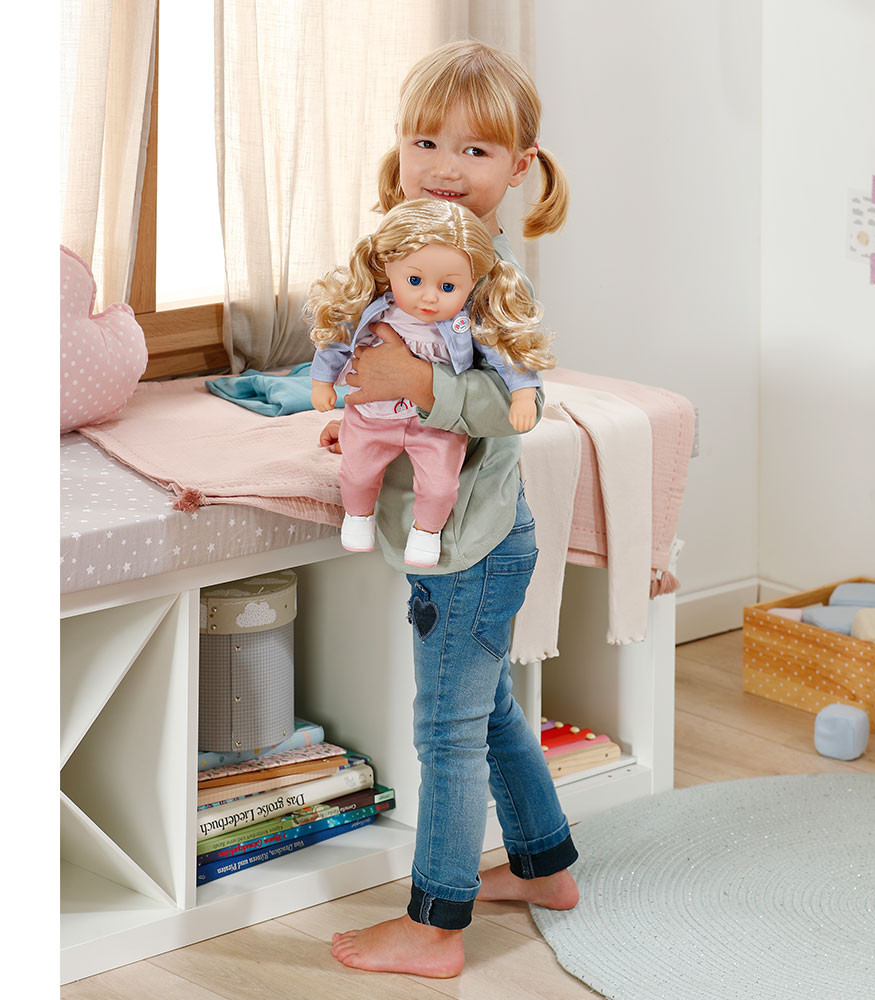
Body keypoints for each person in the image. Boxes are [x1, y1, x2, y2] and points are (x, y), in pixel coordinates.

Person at [321, 40, 576, 978]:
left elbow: (516, 408)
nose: (445, 166)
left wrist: (416, 386)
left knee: (447, 731)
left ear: (520, 167)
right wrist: (366, 410)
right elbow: (379, 362)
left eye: (476, 149)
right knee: (489, 709)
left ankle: (436, 925)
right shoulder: (408, 254)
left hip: (471, 546)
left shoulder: (493, 277)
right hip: (462, 536)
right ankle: (546, 869)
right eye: (427, 142)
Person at [307, 197, 554, 567]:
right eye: (415, 281)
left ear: (473, 281)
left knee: (439, 484)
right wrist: (322, 382)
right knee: (357, 473)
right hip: (374, 416)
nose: (429, 297)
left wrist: (522, 393)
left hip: (435, 426)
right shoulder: (373, 307)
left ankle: (427, 532)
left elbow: (505, 353)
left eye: (448, 287)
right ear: (388, 266)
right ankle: (358, 517)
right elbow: (337, 341)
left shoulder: (469, 318)